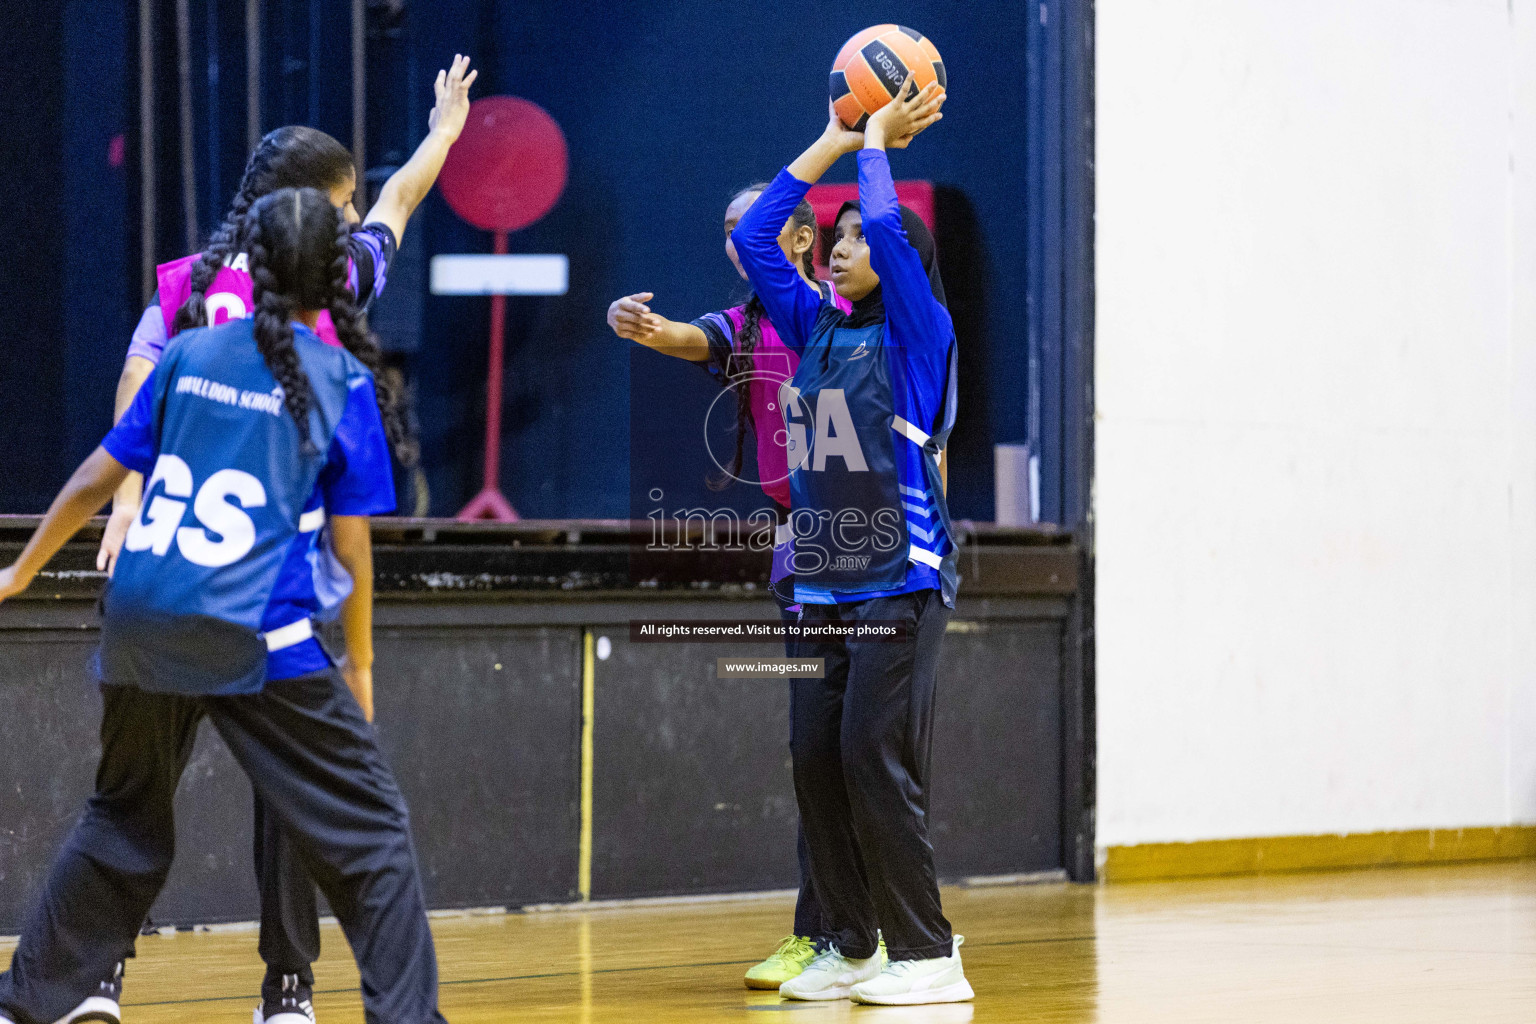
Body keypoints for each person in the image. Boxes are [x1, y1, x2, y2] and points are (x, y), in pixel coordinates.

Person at [0, 186, 450, 1024]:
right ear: (334, 280)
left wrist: (23, 571)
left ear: (254, 264)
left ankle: (29, 1001)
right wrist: (359, 663)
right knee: (375, 837)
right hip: (253, 630)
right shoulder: (342, 381)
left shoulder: (188, 350)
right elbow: (351, 552)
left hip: (138, 613)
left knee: (120, 811)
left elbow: (101, 474)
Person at [87, 56, 474, 1024]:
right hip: (273, 586)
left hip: (171, 570)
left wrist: (132, 491)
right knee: (303, 800)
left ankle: (94, 978)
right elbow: (405, 196)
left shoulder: (186, 284)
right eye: (341, 206)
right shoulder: (338, 274)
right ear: (310, 215)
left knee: (133, 798)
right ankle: (289, 989)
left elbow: (138, 382)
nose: (351, 220)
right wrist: (444, 129)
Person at [731, 77, 973, 1005]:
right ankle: (850, 941)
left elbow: (892, 225)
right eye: (833, 241)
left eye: (859, 237)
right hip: (825, 584)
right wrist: (831, 138)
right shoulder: (813, 323)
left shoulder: (923, 334)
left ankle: (929, 955)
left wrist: (876, 145)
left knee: (875, 758)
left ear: (902, 254)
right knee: (817, 763)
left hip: (897, 582)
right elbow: (760, 236)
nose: (839, 249)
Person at [605, 184, 855, 989]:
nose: (732, 242)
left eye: (749, 227)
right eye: (725, 229)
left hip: (870, 552)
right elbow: (686, 336)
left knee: (864, 753)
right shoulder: (744, 324)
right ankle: (818, 933)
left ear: (804, 239)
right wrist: (642, 328)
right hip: (801, 554)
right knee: (812, 748)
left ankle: (877, 933)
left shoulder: (849, 317)